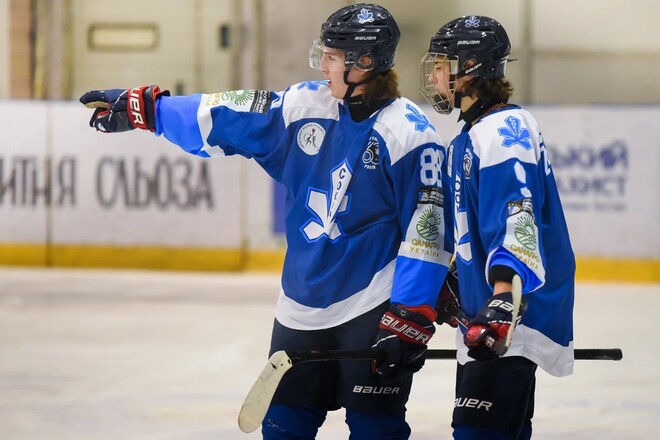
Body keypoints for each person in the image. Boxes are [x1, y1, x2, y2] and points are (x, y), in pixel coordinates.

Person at [80, 4, 453, 439]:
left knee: (376, 429)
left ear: (364, 62)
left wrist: (411, 311)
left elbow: (428, 228)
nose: (323, 64)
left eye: (333, 56)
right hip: (299, 306)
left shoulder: (410, 132)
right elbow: (230, 112)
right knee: (282, 427)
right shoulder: (303, 104)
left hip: (371, 304)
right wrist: (153, 111)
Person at [421, 16, 576, 439]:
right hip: (489, 308)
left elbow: (516, 214)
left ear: (469, 69)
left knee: (478, 431)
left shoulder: (505, 131)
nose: (434, 75)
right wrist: (455, 280)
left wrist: (504, 299)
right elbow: (477, 229)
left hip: (513, 310)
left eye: (441, 64)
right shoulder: (469, 137)